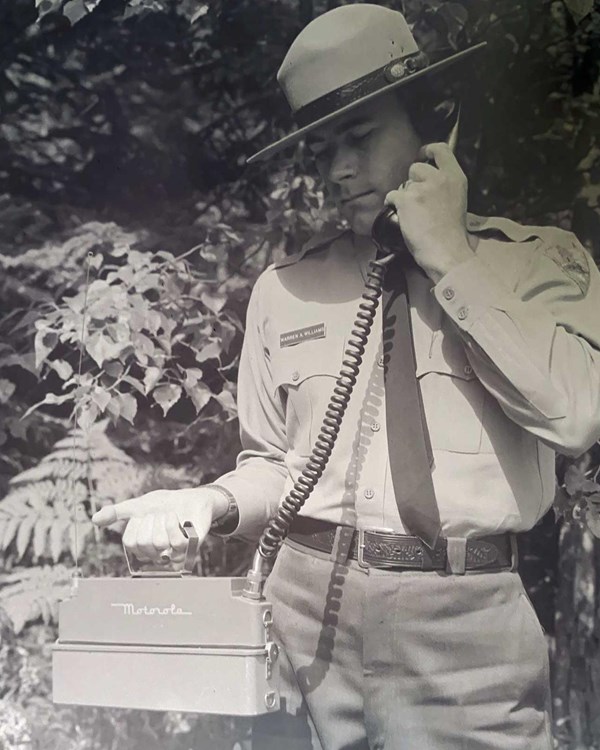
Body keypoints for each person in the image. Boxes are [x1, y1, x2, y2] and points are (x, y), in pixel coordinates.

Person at [92, 4, 600, 749]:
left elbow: (577, 415)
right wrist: (209, 502)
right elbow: (274, 465)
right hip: (304, 625)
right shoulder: (285, 289)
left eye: (359, 139)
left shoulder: (533, 265)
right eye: (321, 150)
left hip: (464, 636)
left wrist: (450, 258)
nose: (337, 171)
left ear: (436, 124)